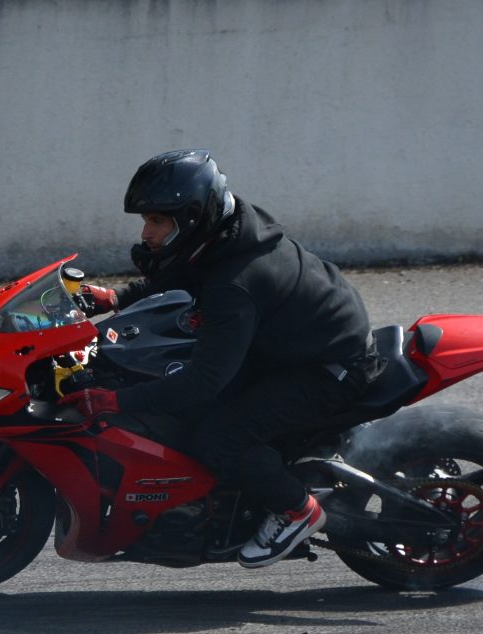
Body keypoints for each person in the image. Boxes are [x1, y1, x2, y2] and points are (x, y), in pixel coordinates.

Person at [62, 150, 381, 568]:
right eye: (147, 219)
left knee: (219, 435)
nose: (146, 232)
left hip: (329, 367)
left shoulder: (235, 285)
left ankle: (296, 510)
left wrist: (113, 402)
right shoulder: (223, 231)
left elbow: (202, 382)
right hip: (294, 342)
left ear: (192, 216)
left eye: (157, 221)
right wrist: (117, 297)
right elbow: (187, 270)